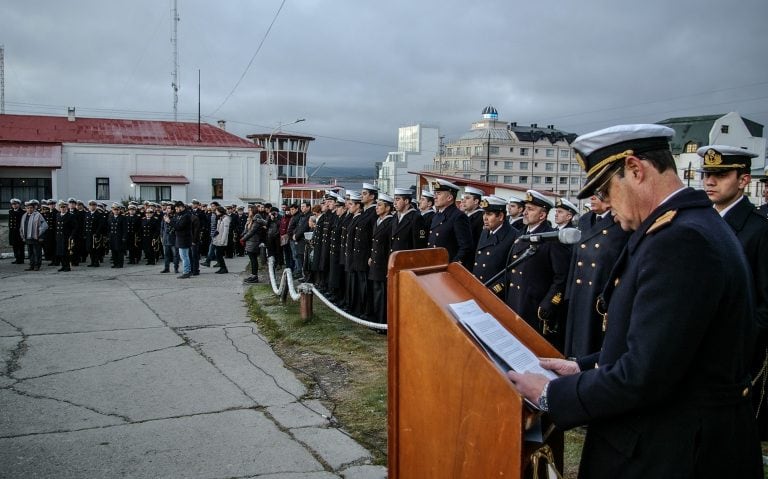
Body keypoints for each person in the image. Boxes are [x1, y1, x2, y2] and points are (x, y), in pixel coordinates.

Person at [507, 124, 762, 478]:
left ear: (635, 170)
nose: (606, 206)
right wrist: (585, 366)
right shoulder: (688, 226)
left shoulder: (681, 240)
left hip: (674, 453)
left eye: (606, 191)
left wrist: (552, 394)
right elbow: (665, 344)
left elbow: (645, 374)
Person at [698, 144, 768, 439]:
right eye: (706, 174)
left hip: (735, 355)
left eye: (721, 174)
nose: (710, 181)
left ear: (744, 180)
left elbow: (765, 305)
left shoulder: (760, 230)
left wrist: (739, 344)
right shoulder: (702, 221)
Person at [563, 195, 629, 359]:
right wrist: (569, 293)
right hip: (580, 290)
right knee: (575, 344)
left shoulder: (620, 221)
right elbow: (576, 257)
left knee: (592, 343)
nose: (592, 198)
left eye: (598, 194)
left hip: (599, 293)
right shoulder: (585, 220)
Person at [505, 189, 570, 351]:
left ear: (542, 215)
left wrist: (549, 303)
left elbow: (561, 276)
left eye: (531, 209)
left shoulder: (550, 238)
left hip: (534, 307)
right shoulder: (521, 235)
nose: (525, 213)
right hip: (515, 302)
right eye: (525, 208)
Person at [471, 195, 520, 295]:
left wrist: (496, 288)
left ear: (501, 216)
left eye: (489, 214)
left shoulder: (514, 236)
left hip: (496, 292)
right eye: (484, 213)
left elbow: (513, 270)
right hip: (478, 286)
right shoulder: (485, 231)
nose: (484, 218)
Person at [427, 179, 473, 269]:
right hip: (434, 265)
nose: (435, 197)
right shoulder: (437, 215)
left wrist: (452, 266)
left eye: (439, 194)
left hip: (446, 268)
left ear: (449, 198)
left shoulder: (458, 217)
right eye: (435, 194)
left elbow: (465, 247)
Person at [368, 193, 394, 325]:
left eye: (380, 205)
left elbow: (390, 245)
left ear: (388, 208)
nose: (376, 207)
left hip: (383, 262)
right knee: (376, 291)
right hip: (375, 261)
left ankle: (381, 320)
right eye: (376, 204)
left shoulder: (390, 222)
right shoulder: (378, 221)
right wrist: (371, 257)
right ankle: (376, 318)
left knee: (382, 293)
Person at [389, 188, 428, 253]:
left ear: (406, 201)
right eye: (394, 200)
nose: (394, 203)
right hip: (395, 257)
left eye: (398, 199)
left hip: (407, 259)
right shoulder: (395, 216)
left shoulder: (416, 218)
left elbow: (419, 245)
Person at [241, 206, 268, 283]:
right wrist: (242, 235)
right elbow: (247, 230)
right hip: (250, 241)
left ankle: (254, 276)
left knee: (253, 259)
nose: (248, 212)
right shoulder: (251, 219)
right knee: (252, 259)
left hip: (254, 241)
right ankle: (253, 275)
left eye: (249, 210)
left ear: (253, 211)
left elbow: (252, 232)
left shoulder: (256, 219)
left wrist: (243, 239)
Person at [19, 200, 48, 271]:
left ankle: (37, 265)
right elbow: (22, 226)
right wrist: (22, 235)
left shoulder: (38, 215)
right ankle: (31, 265)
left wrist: (40, 235)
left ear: (34, 208)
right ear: (26, 208)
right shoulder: (24, 216)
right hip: (27, 238)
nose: (29, 209)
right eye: (28, 208)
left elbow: (45, 225)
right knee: (30, 253)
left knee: (37, 252)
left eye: (31, 208)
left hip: (36, 237)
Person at [55, 200, 78, 272]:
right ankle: (63, 266)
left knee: (66, 253)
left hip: (66, 237)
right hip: (59, 237)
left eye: (64, 207)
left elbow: (75, 227)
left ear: (67, 207)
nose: (62, 208)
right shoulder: (58, 215)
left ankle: (67, 266)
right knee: (60, 252)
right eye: (61, 207)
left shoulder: (70, 216)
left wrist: (72, 236)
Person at [462, 185, 485, 251]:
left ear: (476, 201)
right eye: (464, 198)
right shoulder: (465, 215)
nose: (463, 201)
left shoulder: (481, 217)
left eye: (467, 198)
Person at [211, 206, 231, 274]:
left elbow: (225, 231)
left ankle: (224, 268)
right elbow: (218, 229)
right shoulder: (220, 219)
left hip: (222, 240)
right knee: (218, 255)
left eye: (217, 211)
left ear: (220, 211)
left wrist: (222, 241)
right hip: (217, 239)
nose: (216, 212)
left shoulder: (226, 219)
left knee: (219, 255)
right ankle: (222, 268)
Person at [107, 203, 127, 268]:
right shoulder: (110, 217)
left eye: (117, 210)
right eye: (114, 209)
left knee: (119, 251)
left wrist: (124, 237)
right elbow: (109, 228)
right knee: (113, 250)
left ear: (119, 210)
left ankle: (120, 264)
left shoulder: (122, 218)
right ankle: (115, 263)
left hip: (119, 236)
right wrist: (108, 236)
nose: (116, 211)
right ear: (112, 210)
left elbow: (124, 228)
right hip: (112, 236)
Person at [8, 198, 25, 264]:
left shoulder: (22, 212)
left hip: (19, 231)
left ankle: (21, 259)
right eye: (13, 204)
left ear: (19, 204)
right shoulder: (11, 211)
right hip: (12, 231)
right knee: (14, 246)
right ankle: (17, 258)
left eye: (15, 204)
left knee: (20, 246)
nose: (14, 205)